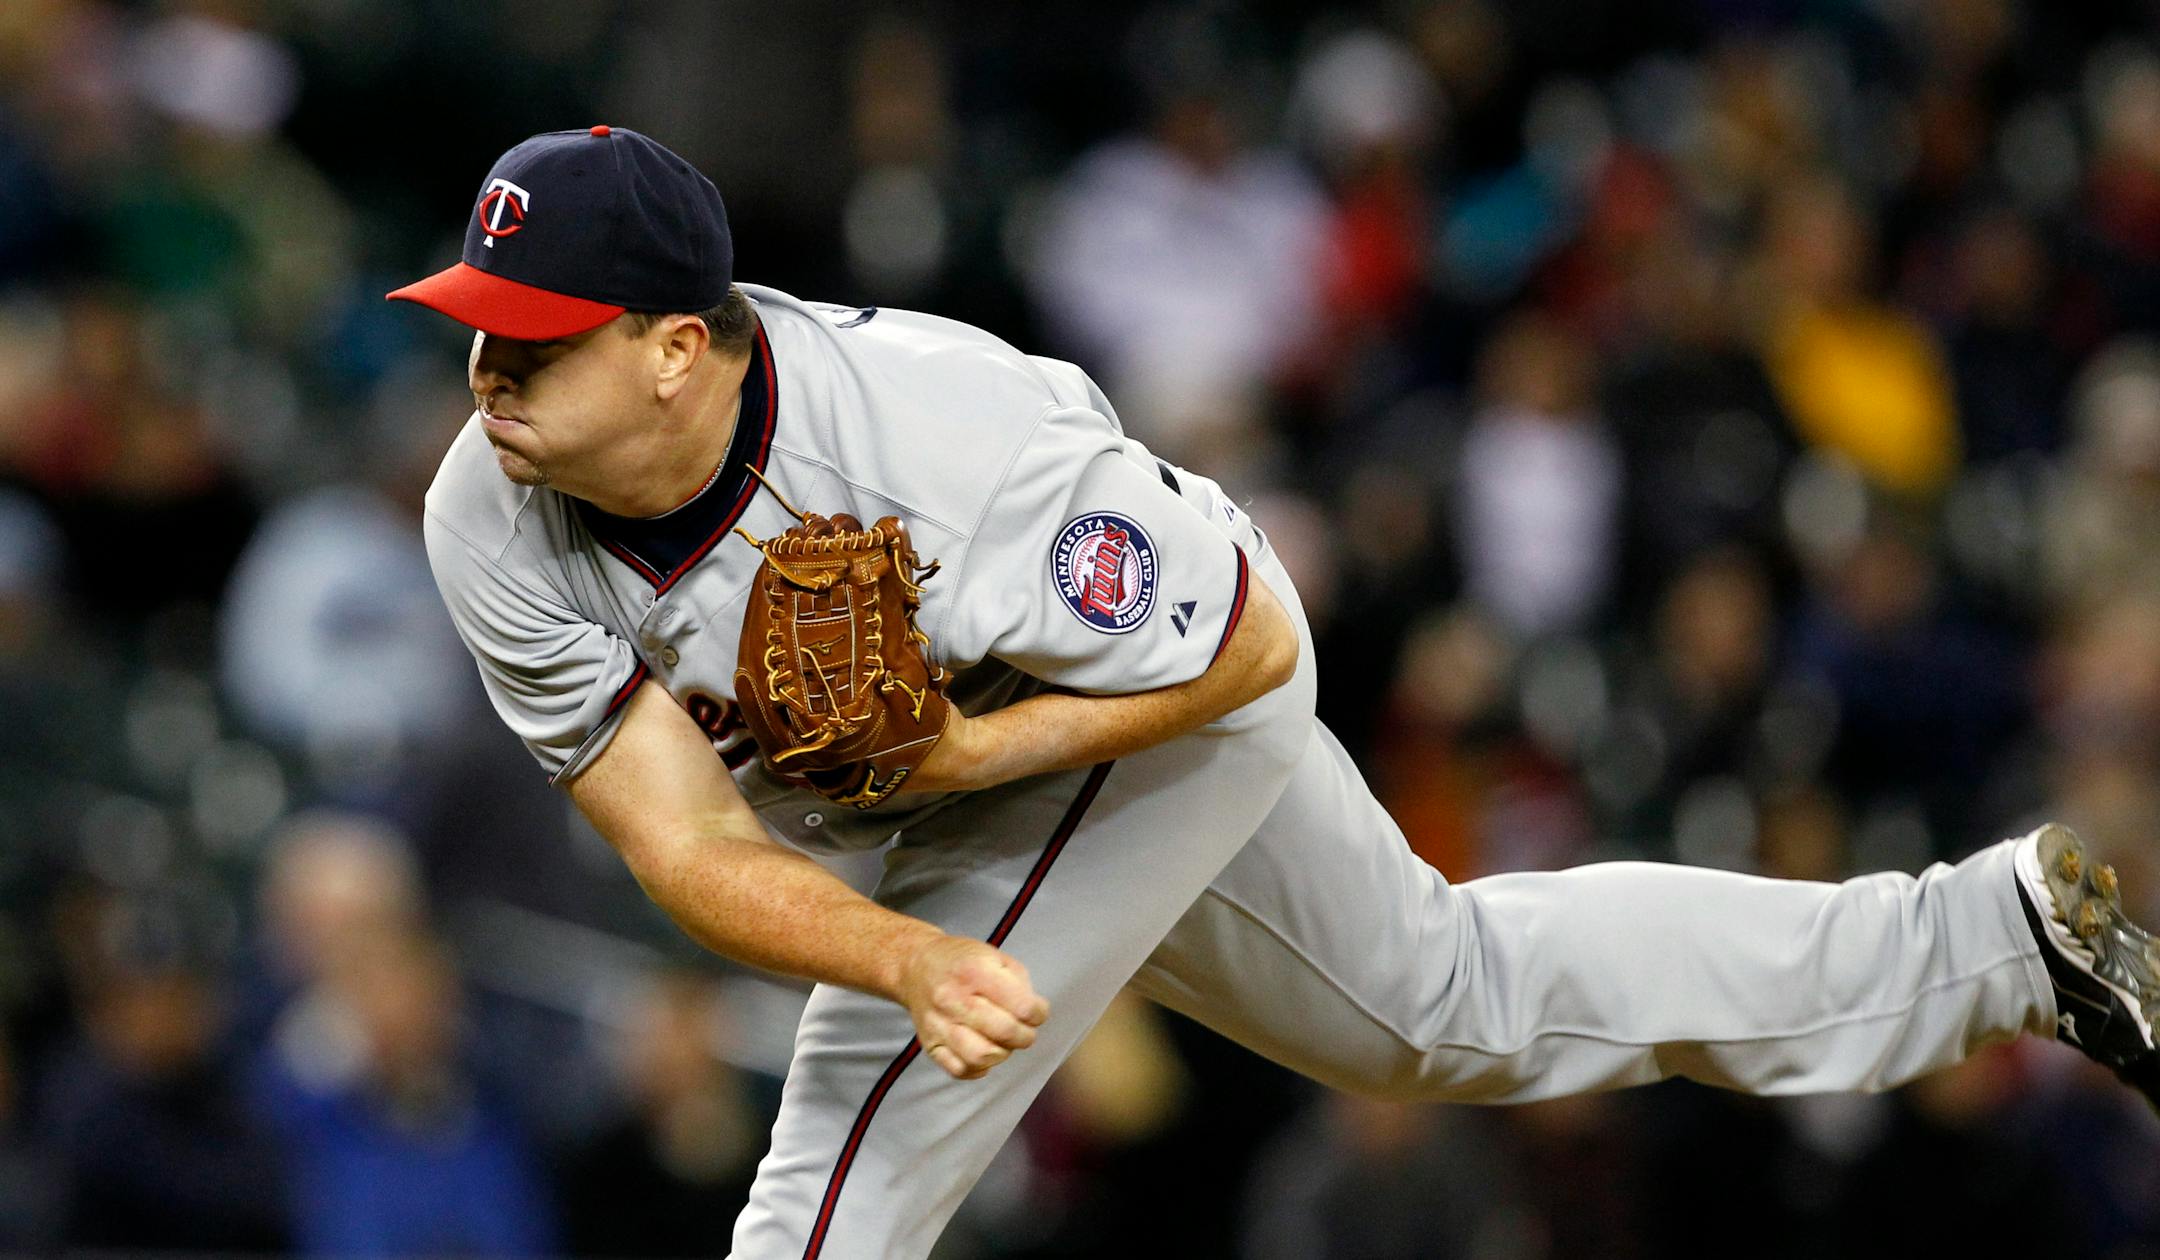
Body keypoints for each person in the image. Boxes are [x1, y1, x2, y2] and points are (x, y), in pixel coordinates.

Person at [390, 127, 2160, 1259]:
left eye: (533, 340)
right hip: (954, 782)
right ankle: (1995, 942)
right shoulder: (492, 502)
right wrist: (907, 952)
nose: (488, 377)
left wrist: (968, 757)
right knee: (1442, 1004)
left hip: (1158, 684)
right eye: (478, 326)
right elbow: (679, 839)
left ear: (676, 346)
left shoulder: (946, 449)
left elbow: (1245, 641)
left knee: (825, 1205)